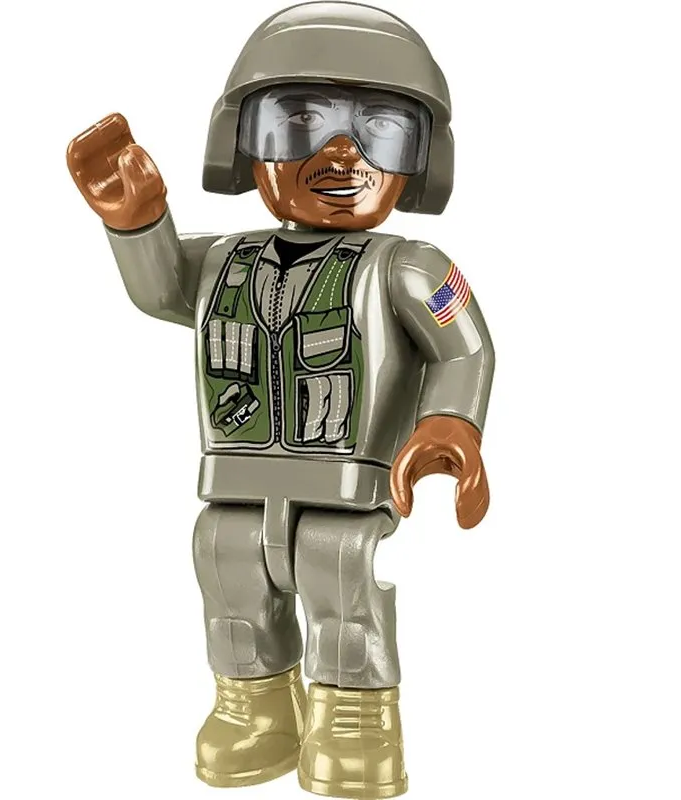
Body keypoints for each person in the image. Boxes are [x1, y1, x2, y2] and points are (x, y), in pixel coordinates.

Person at [66, 3, 495, 797]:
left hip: (345, 487)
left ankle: (356, 717)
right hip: (235, 478)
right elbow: (161, 287)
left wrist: (450, 424)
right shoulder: (223, 261)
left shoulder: (412, 268)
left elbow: (463, 347)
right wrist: (136, 220)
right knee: (224, 567)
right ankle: (254, 709)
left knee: (342, 583)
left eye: (382, 130)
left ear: (423, 161)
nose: (343, 153)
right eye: (299, 123)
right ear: (241, 142)